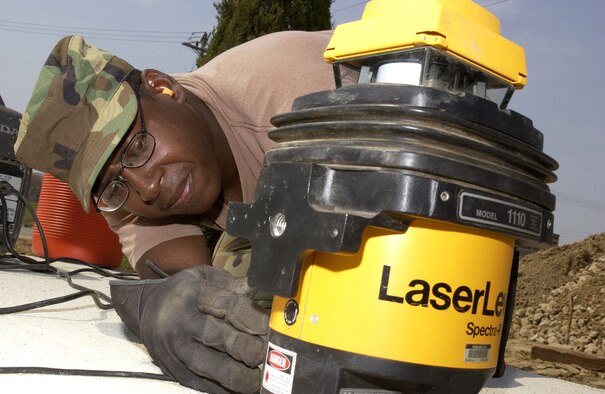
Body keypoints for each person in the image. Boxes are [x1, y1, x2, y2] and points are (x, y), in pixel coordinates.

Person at [15, 31, 338, 393]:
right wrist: (165, 308)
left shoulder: (301, 102)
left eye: (135, 148)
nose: (147, 188)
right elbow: (188, 285)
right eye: (113, 185)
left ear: (164, 87)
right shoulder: (122, 192)